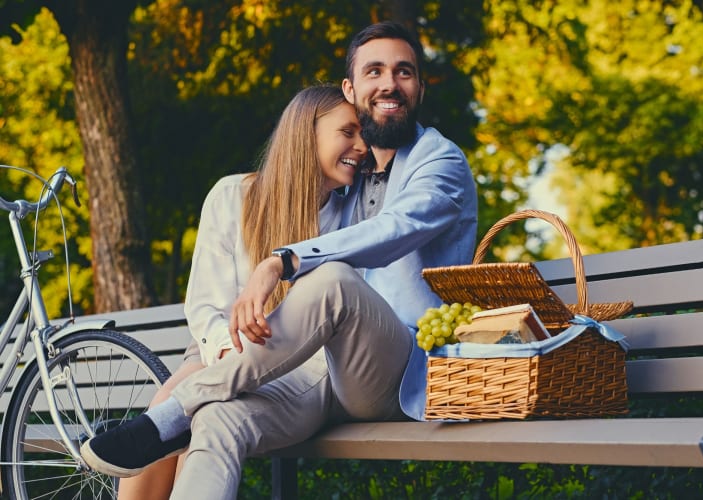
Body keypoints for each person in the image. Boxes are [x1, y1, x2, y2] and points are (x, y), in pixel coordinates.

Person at [82, 21, 478, 500]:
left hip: (393, 374)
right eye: (374, 71)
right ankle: (183, 413)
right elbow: (211, 307)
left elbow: (391, 233)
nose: (389, 83)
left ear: (420, 85)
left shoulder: (440, 164)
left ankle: (168, 416)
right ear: (351, 90)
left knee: (331, 280)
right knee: (218, 421)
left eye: (404, 71)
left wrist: (281, 262)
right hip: (310, 374)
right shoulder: (345, 183)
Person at [114, 83, 366, 499]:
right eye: (348, 132)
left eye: (363, 135)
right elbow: (206, 306)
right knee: (177, 398)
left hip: (300, 367)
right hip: (220, 352)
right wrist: (232, 358)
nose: (361, 146)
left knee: (194, 408)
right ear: (308, 132)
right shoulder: (233, 196)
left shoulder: (352, 218)